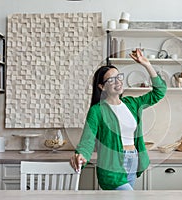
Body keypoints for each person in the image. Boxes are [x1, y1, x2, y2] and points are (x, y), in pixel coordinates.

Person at [70, 48, 167, 190]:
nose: (118, 82)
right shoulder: (97, 110)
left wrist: (147, 64)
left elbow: (160, 91)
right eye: (111, 80)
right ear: (102, 87)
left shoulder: (132, 104)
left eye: (119, 77)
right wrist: (81, 156)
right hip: (112, 166)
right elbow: (87, 140)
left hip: (133, 160)